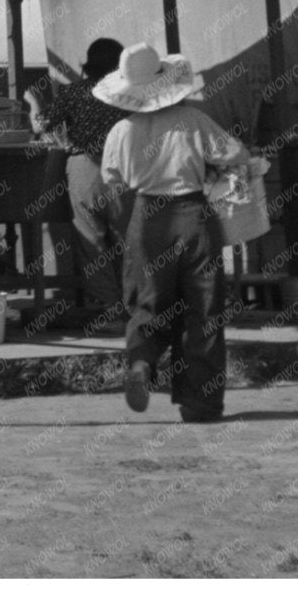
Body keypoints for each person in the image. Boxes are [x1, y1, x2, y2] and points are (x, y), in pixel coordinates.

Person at [97, 41, 249, 423]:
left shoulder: (120, 130)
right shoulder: (193, 121)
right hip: (193, 217)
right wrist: (210, 169)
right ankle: (200, 403)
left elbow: (111, 179)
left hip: (146, 219)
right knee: (203, 311)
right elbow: (236, 154)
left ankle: (142, 362)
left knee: (147, 302)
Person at [26, 39, 131, 323]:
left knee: (91, 240)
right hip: (125, 170)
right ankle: (136, 303)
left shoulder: (74, 92)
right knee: (126, 238)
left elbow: (42, 125)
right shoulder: (130, 91)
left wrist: (32, 100)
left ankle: (110, 306)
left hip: (85, 168)